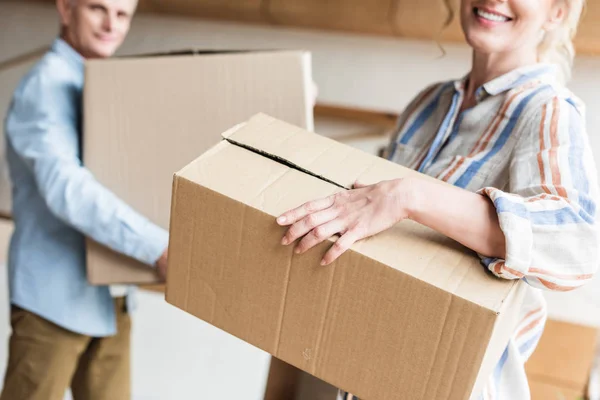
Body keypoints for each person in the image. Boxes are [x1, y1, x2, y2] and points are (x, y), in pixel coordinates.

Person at [276, 0, 598, 399]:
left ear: (557, 13)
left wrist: (411, 195)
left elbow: (576, 245)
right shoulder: (428, 104)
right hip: (360, 368)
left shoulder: (549, 111)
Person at [1, 0, 168, 399]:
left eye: (123, 14)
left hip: (112, 296)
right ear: (65, 9)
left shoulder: (110, 87)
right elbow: (67, 188)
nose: (111, 24)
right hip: (53, 300)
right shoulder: (46, 86)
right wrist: (157, 246)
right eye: (98, 8)